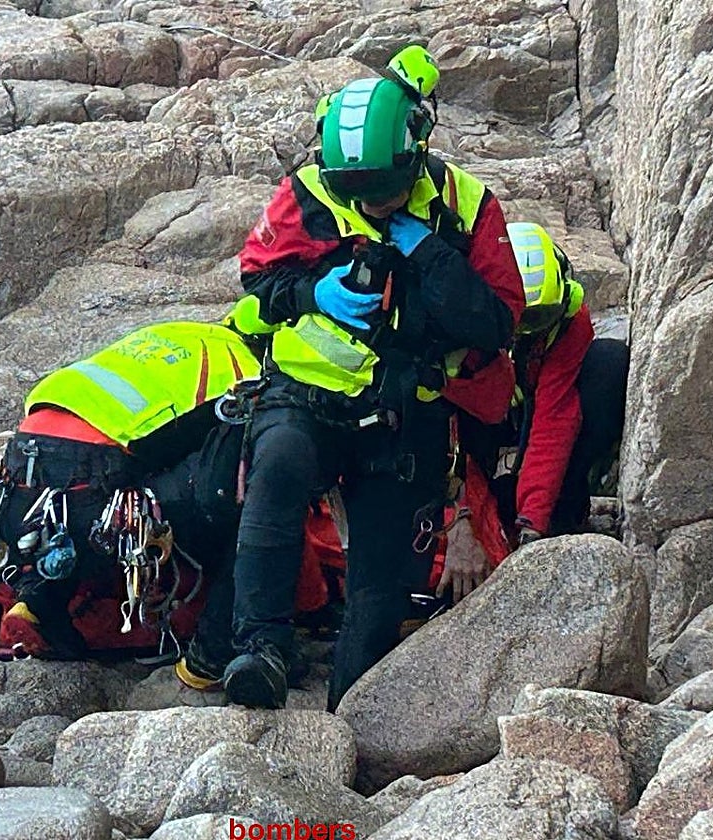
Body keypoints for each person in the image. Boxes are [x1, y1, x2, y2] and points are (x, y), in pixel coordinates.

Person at [216, 45, 526, 711]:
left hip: (404, 414)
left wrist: (427, 253)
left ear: (414, 160)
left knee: (380, 597)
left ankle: (351, 711)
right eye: (359, 192)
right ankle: (262, 649)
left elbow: (496, 324)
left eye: (385, 192)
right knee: (275, 471)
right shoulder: (307, 193)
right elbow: (258, 280)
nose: (373, 206)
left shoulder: (464, 208)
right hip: (306, 397)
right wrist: (313, 293)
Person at [0, 320, 262, 664]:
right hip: (91, 476)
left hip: (18, 473)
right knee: (243, 506)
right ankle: (212, 651)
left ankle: (39, 600)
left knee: (76, 521)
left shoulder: (175, 334)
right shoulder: (246, 368)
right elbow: (210, 462)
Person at [458, 221, 629, 548]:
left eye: (535, 320)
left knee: (608, 364)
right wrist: (463, 514)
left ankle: (563, 508)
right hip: (476, 419)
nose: (524, 333)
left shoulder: (567, 319)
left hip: (525, 407)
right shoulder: (463, 320)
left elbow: (555, 416)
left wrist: (533, 523)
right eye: (516, 319)